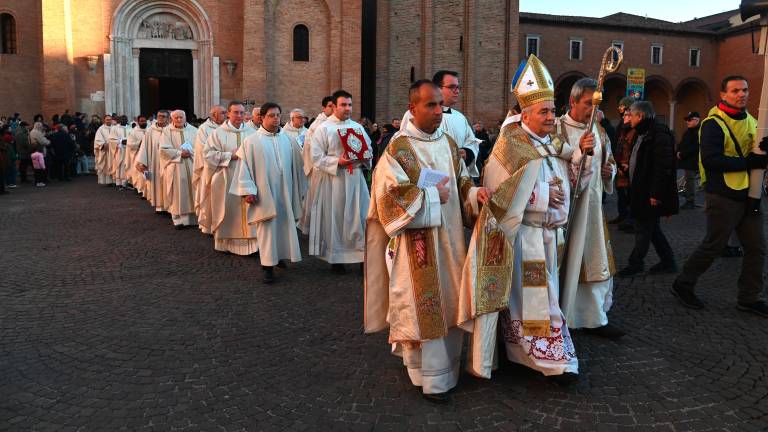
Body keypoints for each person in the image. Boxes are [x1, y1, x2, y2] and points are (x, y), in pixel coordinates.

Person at [461, 54, 594, 383]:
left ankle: (519, 352)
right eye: (544, 112)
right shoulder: (511, 146)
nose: (551, 117)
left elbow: (571, 174)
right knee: (535, 301)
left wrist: (583, 156)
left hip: (550, 237)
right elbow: (497, 193)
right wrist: (547, 196)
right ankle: (548, 361)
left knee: (536, 297)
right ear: (525, 114)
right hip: (524, 238)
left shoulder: (551, 141)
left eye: (552, 110)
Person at [364, 79, 489, 401]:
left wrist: (476, 194)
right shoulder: (398, 148)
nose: (438, 111)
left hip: (450, 243)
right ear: (412, 108)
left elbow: (462, 182)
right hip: (416, 247)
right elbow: (387, 201)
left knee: (450, 302)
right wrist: (432, 196)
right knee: (423, 307)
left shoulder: (448, 143)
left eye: (440, 105)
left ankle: (447, 369)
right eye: (430, 105)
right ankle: (428, 377)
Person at [673, 75, 768, 316]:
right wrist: (749, 162)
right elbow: (712, 161)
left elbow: (756, 154)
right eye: (735, 90)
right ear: (723, 95)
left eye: (744, 90)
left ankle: (749, 296)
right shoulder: (713, 123)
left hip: (751, 193)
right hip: (723, 194)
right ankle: (683, 284)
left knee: (757, 248)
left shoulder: (753, 121)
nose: (741, 94)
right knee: (714, 245)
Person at [558, 78, 621, 338]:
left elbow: (611, 161)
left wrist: (610, 172)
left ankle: (595, 317)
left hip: (593, 207)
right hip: (566, 211)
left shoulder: (600, 130)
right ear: (573, 102)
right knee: (568, 261)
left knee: (595, 259)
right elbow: (553, 165)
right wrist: (576, 152)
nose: (592, 110)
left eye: (596, 104)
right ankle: (564, 315)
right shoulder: (557, 130)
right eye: (587, 104)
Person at [231, 103, 304, 283]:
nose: (276, 119)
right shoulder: (252, 141)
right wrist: (248, 190)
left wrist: (299, 190)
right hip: (264, 193)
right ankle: (267, 267)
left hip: (285, 192)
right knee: (268, 229)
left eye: (278, 115)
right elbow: (244, 168)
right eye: (271, 115)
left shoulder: (288, 140)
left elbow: (298, 167)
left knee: (284, 226)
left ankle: (278, 258)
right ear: (262, 117)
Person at [306, 90, 371, 273]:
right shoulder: (324, 128)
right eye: (343, 105)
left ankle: (362, 258)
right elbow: (316, 157)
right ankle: (337, 259)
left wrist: (365, 158)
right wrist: (337, 162)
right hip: (335, 181)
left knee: (360, 217)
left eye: (350, 105)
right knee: (336, 219)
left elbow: (368, 151)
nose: (347, 108)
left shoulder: (358, 128)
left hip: (355, 179)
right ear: (333, 106)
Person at [617, 101, 678, 277]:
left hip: (649, 193)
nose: (628, 118)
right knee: (653, 229)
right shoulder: (641, 133)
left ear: (640, 116)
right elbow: (642, 158)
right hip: (641, 189)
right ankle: (668, 262)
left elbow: (663, 167)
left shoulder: (659, 134)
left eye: (631, 115)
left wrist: (656, 193)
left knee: (643, 228)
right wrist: (630, 167)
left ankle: (635, 263)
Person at [400, 70, 482, 178]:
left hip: (456, 178)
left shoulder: (461, 118)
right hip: (426, 179)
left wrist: (467, 153)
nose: (457, 91)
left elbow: (472, 142)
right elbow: (406, 147)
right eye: (452, 87)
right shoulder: (415, 114)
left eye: (458, 87)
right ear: (438, 88)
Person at [204, 101, 259, 255]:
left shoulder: (252, 133)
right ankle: (226, 243)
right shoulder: (218, 133)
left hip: (248, 179)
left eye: (242, 113)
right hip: (226, 178)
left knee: (250, 211)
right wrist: (230, 155)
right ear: (228, 114)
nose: (239, 116)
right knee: (227, 211)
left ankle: (252, 244)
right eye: (236, 112)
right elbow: (207, 155)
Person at [298, 96, 334, 234]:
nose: (333, 108)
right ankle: (316, 228)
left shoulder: (334, 122)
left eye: (333, 105)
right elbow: (310, 146)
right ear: (323, 108)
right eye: (330, 106)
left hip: (332, 166)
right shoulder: (318, 124)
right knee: (317, 199)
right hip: (320, 167)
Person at [159, 110, 198, 229]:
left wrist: (190, 152)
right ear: (172, 119)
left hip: (192, 165)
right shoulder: (167, 131)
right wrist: (179, 153)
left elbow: (201, 148)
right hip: (176, 167)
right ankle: (178, 220)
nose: (179, 120)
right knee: (177, 193)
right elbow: (163, 150)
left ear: (185, 118)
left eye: (181, 117)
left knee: (193, 191)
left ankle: (194, 220)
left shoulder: (194, 131)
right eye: (176, 118)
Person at [193, 105, 226, 234]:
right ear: (214, 115)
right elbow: (203, 149)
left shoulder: (227, 128)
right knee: (209, 198)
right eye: (223, 113)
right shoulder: (204, 129)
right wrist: (224, 155)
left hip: (225, 167)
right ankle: (208, 225)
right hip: (210, 168)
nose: (226, 115)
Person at [610, 97, 637, 228]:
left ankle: (630, 219)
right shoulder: (622, 125)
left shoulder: (634, 128)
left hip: (628, 165)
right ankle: (622, 215)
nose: (620, 110)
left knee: (630, 194)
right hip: (620, 162)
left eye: (624, 108)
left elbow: (632, 147)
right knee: (621, 191)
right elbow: (617, 143)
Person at [136, 110, 170, 213]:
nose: (160, 118)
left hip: (168, 162)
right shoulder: (151, 131)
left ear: (168, 118)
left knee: (168, 183)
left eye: (163, 116)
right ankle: (159, 206)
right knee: (156, 183)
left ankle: (169, 206)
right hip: (154, 162)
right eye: (159, 116)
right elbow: (144, 147)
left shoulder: (171, 130)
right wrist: (141, 162)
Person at [282, 108, 308, 198]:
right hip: (290, 166)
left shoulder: (308, 132)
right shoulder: (283, 133)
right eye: (299, 117)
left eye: (303, 117)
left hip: (304, 167)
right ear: (292, 119)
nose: (303, 119)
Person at [677, 111, 701, 210]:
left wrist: (682, 153)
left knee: (690, 181)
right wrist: (678, 151)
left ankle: (690, 201)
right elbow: (682, 143)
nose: (687, 122)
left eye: (689, 120)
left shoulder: (698, 132)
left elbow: (695, 147)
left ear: (696, 120)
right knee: (689, 180)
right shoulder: (689, 131)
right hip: (687, 161)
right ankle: (689, 198)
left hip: (693, 162)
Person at [126, 115, 148, 196]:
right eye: (141, 121)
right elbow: (129, 144)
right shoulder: (133, 132)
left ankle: (147, 188)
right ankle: (139, 188)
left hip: (148, 155)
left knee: (146, 171)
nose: (143, 122)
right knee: (138, 172)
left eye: (144, 121)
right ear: (138, 122)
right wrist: (140, 143)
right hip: (137, 155)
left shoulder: (150, 130)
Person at [108, 115, 132, 189]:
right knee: (120, 165)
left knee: (128, 165)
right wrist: (121, 141)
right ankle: (119, 183)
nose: (124, 120)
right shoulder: (115, 128)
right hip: (119, 150)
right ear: (120, 120)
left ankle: (127, 182)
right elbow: (111, 139)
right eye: (122, 119)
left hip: (129, 150)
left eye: (125, 119)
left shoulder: (130, 128)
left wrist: (129, 141)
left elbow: (133, 137)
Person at [93, 115, 114, 185]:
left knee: (114, 165)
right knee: (106, 166)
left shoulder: (115, 128)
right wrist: (103, 144)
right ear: (104, 120)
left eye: (110, 119)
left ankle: (115, 181)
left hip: (114, 151)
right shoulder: (101, 129)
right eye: (107, 119)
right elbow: (97, 140)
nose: (109, 121)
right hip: (105, 151)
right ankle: (107, 181)